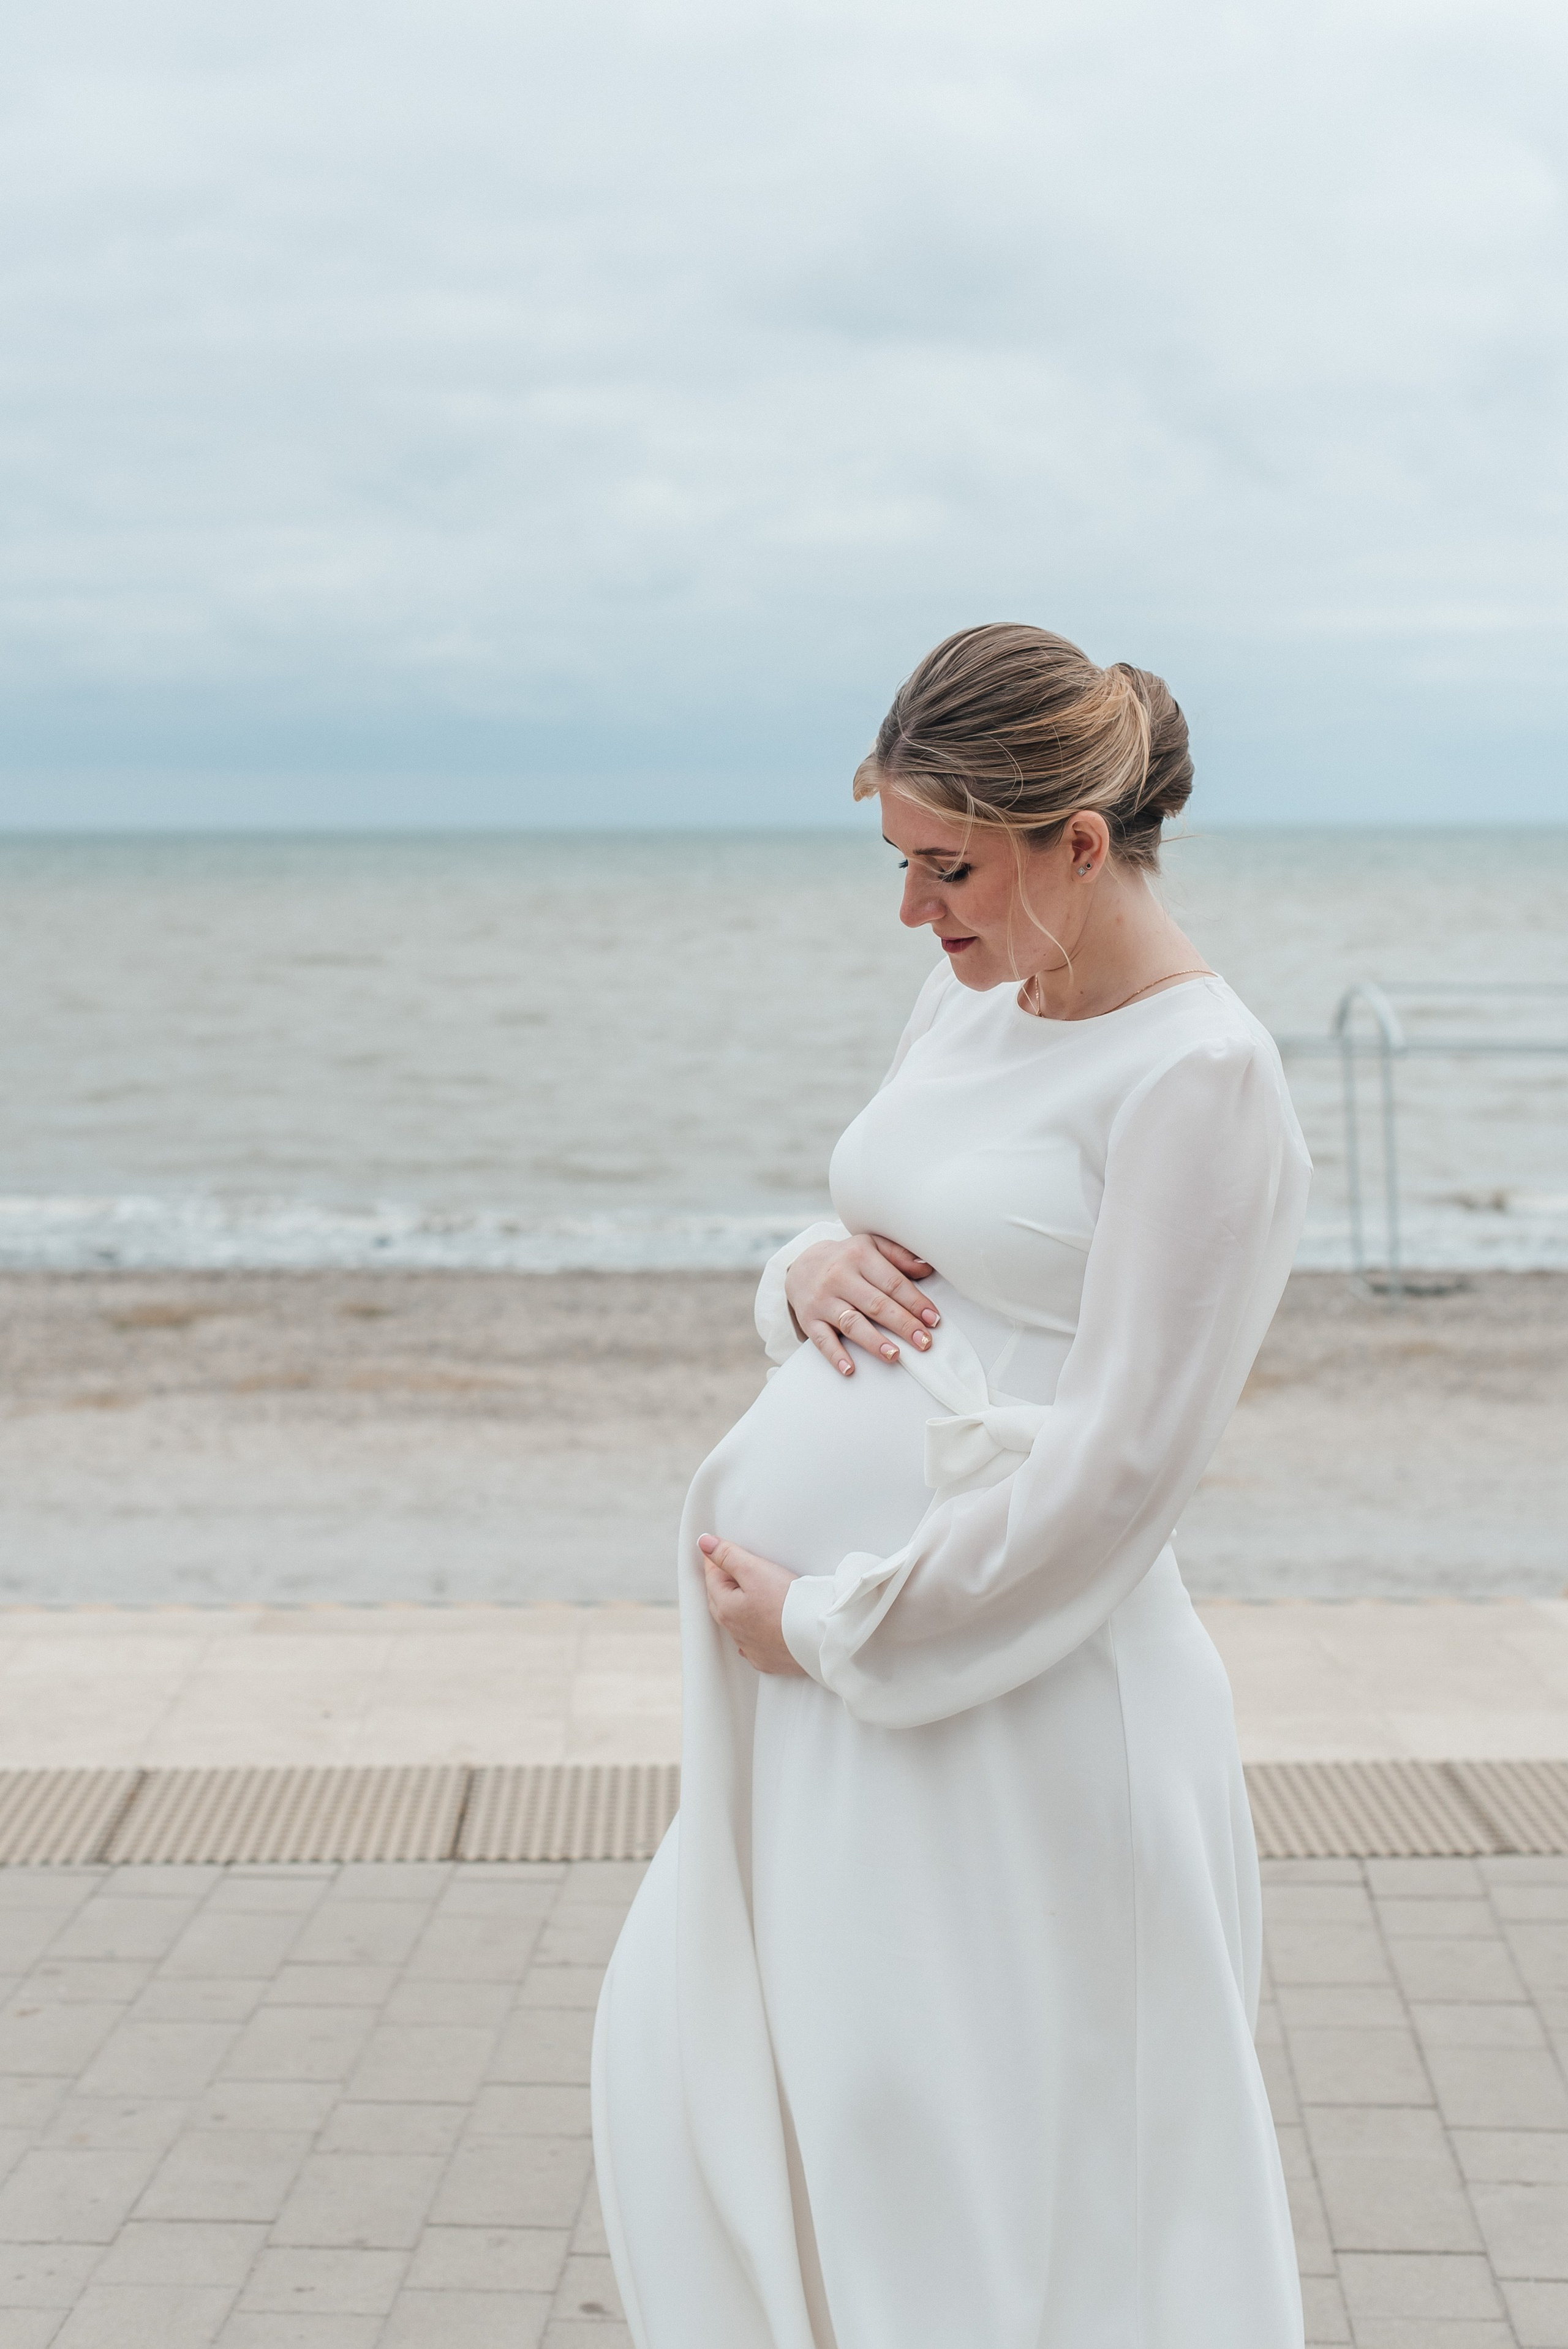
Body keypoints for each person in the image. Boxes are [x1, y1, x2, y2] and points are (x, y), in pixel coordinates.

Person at [591, 623, 1311, 2349]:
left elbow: (1123, 1465)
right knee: (732, 2082)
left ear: (1077, 837)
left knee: (985, 2180)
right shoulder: (973, 989)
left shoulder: (1203, 1080)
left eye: (948, 867)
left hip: (1017, 1710)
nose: (915, 913)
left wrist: (833, 1619)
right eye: (901, 864)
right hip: (849, 1699)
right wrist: (802, 1269)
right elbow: (917, 1245)